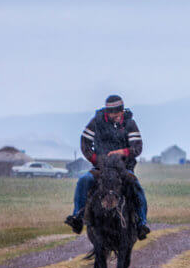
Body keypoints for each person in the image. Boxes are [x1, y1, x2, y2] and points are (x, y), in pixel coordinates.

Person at [64, 95, 150, 240]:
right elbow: (85, 143)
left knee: (136, 186)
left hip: (123, 169)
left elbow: (137, 147)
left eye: (119, 113)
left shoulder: (130, 123)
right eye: (114, 114)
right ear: (107, 112)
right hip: (100, 169)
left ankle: (141, 223)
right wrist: (96, 160)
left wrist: (122, 152)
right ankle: (77, 216)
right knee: (83, 181)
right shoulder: (96, 122)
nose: (117, 116)